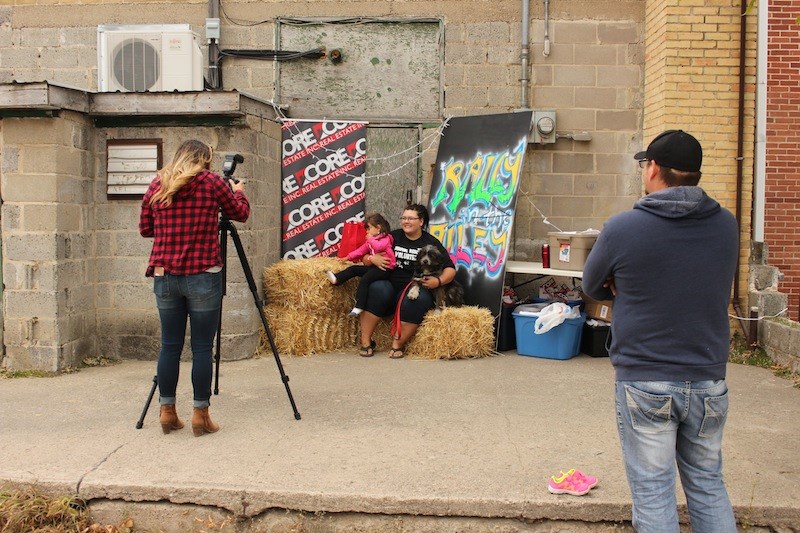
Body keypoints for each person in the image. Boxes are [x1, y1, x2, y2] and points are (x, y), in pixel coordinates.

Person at [582, 130, 738, 532]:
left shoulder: (622, 228)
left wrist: (623, 283)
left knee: (653, 491)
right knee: (707, 485)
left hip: (645, 379)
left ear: (653, 169)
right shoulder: (726, 226)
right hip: (707, 377)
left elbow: (592, 285)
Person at [139, 140, 250, 437]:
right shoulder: (212, 182)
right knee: (202, 347)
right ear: (205, 159)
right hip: (203, 273)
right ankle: (201, 414)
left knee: (170, 346)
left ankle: (167, 411)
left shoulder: (158, 183)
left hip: (165, 274)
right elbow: (239, 214)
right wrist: (238, 193)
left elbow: (145, 228)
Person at [357, 204, 456, 358]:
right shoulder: (391, 237)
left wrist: (438, 281)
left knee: (418, 298)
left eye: (411, 218)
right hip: (388, 285)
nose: (406, 221)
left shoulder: (431, 242)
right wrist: (372, 258)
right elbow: (363, 256)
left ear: (421, 221)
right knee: (378, 288)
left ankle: (398, 344)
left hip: (414, 287)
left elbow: (450, 269)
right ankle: (365, 341)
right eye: (404, 218)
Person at [326, 213, 397, 317]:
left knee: (365, 279)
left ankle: (359, 306)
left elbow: (379, 248)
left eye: (368, 229)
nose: (367, 232)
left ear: (378, 228)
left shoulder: (386, 239)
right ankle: (337, 279)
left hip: (385, 269)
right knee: (354, 269)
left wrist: (370, 239)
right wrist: (347, 257)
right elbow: (361, 250)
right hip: (375, 267)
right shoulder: (371, 241)